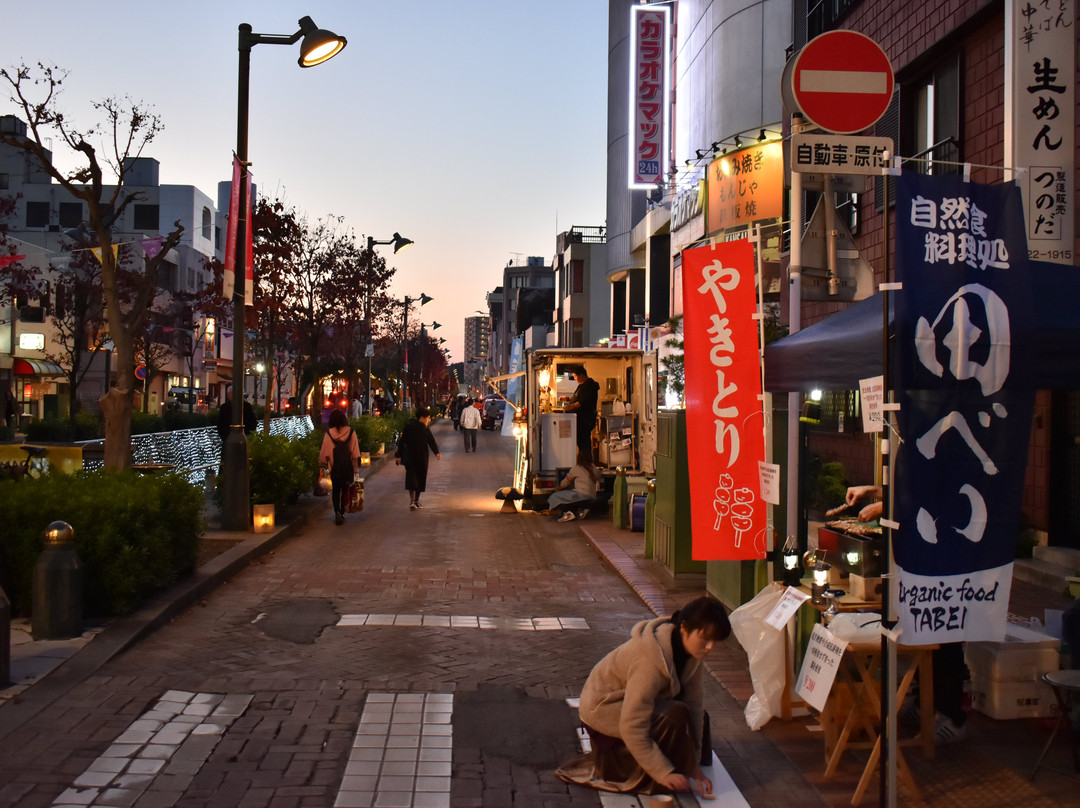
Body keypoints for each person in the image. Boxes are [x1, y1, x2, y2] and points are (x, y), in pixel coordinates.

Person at [556, 597, 731, 798]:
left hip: (628, 704)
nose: (709, 647)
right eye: (705, 639)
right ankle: (632, 768)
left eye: (714, 641)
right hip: (603, 708)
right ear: (684, 628)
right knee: (674, 715)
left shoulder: (693, 652)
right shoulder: (650, 661)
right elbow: (631, 724)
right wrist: (662, 772)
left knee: (695, 716)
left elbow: (695, 704)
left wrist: (693, 764)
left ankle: (673, 763)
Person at [845, 484, 968, 743]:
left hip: (947, 550)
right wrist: (876, 491)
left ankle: (951, 715)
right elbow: (913, 487)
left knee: (945, 633)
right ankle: (924, 703)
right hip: (922, 552)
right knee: (921, 629)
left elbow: (940, 498)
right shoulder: (920, 449)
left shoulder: (951, 451)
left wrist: (887, 506)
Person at [320, 408, 360, 525]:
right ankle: (342, 512)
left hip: (335, 468)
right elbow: (355, 453)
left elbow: (324, 454)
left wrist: (322, 465)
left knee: (336, 491)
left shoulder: (329, 434)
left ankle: (337, 511)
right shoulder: (351, 432)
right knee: (345, 489)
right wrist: (356, 470)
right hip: (348, 468)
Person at [395, 406, 441, 510]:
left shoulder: (425, 429)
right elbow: (402, 441)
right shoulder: (410, 427)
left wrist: (436, 452)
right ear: (422, 417)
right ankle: (412, 501)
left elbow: (431, 441)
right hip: (411, 457)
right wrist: (399, 455)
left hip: (423, 457)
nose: (428, 420)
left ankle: (416, 500)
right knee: (412, 478)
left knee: (420, 478)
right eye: (427, 418)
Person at [546, 449, 601, 522]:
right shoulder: (595, 470)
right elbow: (598, 475)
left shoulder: (576, 468)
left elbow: (566, 482)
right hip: (591, 499)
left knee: (555, 497)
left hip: (581, 496)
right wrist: (593, 465)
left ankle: (568, 514)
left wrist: (559, 487)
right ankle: (582, 511)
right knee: (572, 497)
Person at [564, 366, 599, 454]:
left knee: (584, 441)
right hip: (580, 419)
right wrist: (568, 399)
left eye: (576, 376)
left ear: (582, 375)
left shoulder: (589, 386)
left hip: (585, 419)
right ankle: (583, 462)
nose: (575, 379)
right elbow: (577, 398)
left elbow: (582, 401)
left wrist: (570, 407)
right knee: (581, 441)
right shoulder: (582, 385)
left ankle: (586, 462)